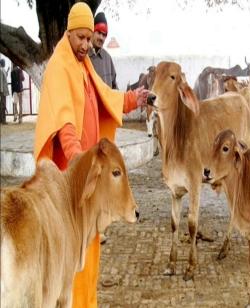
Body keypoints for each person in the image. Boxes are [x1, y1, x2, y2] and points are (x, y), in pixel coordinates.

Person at [33, 3, 148, 308]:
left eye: (89, 38)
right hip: (72, 183)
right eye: (80, 38)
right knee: (71, 255)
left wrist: (135, 98)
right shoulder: (60, 66)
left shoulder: (83, 65)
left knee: (89, 249)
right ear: (69, 33)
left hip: (89, 180)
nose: (86, 44)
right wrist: (77, 162)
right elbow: (64, 121)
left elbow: (105, 97)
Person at [89, 12, 118, 89]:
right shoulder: (83, 56)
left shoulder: (108, 58)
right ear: (92, 31)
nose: (101, 38)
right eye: (99, 33)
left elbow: (114, 88)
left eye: (104, 35)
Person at [0, 59, 9, 124]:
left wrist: (7, 71)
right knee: (3, 105)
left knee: (3, 104)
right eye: (3, 62)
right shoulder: (0, 70)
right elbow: (1, 81)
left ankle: (2, 119)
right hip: (2, 91)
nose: (4, 63)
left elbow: (5, 76)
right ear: (1, 63)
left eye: (4, 62)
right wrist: (1, 91)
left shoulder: (3, 69)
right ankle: (3, 120)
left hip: (4, 91)